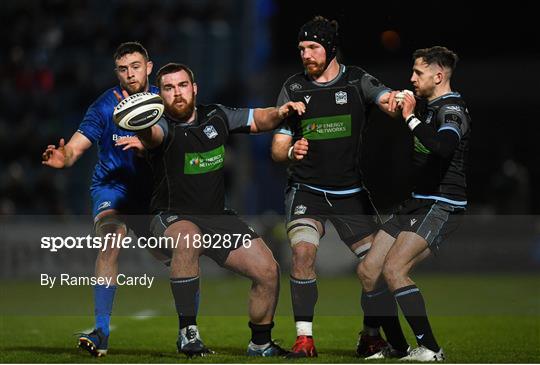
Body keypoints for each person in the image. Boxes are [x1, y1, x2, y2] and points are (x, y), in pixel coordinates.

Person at [123, 62, 305, 357]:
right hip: (170, 218)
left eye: (182, 85)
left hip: (217, 217)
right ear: (160, 97)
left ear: (194, 89)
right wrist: (140, 123)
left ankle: (260, 343)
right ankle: (187, 334)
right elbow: (150, 137)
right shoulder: (161, 126)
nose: (177, 93)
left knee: (268, 270)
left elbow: (259, 119)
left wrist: (282, 111)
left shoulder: (217, 116)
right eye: (168, 88)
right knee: (188, 237)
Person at [270, 16, 400, 358]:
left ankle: (371, 336)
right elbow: (277, 148)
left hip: (350, 194)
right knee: (301, 253)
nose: (306, 55)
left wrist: (397, 100)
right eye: (301, 48)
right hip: (306, 191)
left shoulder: (357, 80)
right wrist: (290, 151)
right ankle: (304, 338)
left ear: (329, 48)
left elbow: (388, 99)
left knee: (376, 268)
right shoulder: (294, 88)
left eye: (313, 47)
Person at [41, 42, 156, 357]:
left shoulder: (165, 99)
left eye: (135, 66)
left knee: (173, 255)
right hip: (112, 187)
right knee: (110, 240)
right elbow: (76, 147)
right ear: (116, 72)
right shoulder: (105, 105)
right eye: (123, 68)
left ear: (148, 66)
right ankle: (102, 331)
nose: (130, 74)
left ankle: (189, 330)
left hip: (151, 192)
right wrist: (63, 157)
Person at [359, 46, 470, 361]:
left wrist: (408, 117)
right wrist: (403, 111)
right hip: (415, 202)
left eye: (418, 72)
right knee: (369, 270)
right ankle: (396, 346)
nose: (411, 78)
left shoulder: (452, 110)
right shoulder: (428, 107)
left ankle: (432, 349)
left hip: (442, 203)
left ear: (438, 76)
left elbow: (443, 147)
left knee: (395, 269)